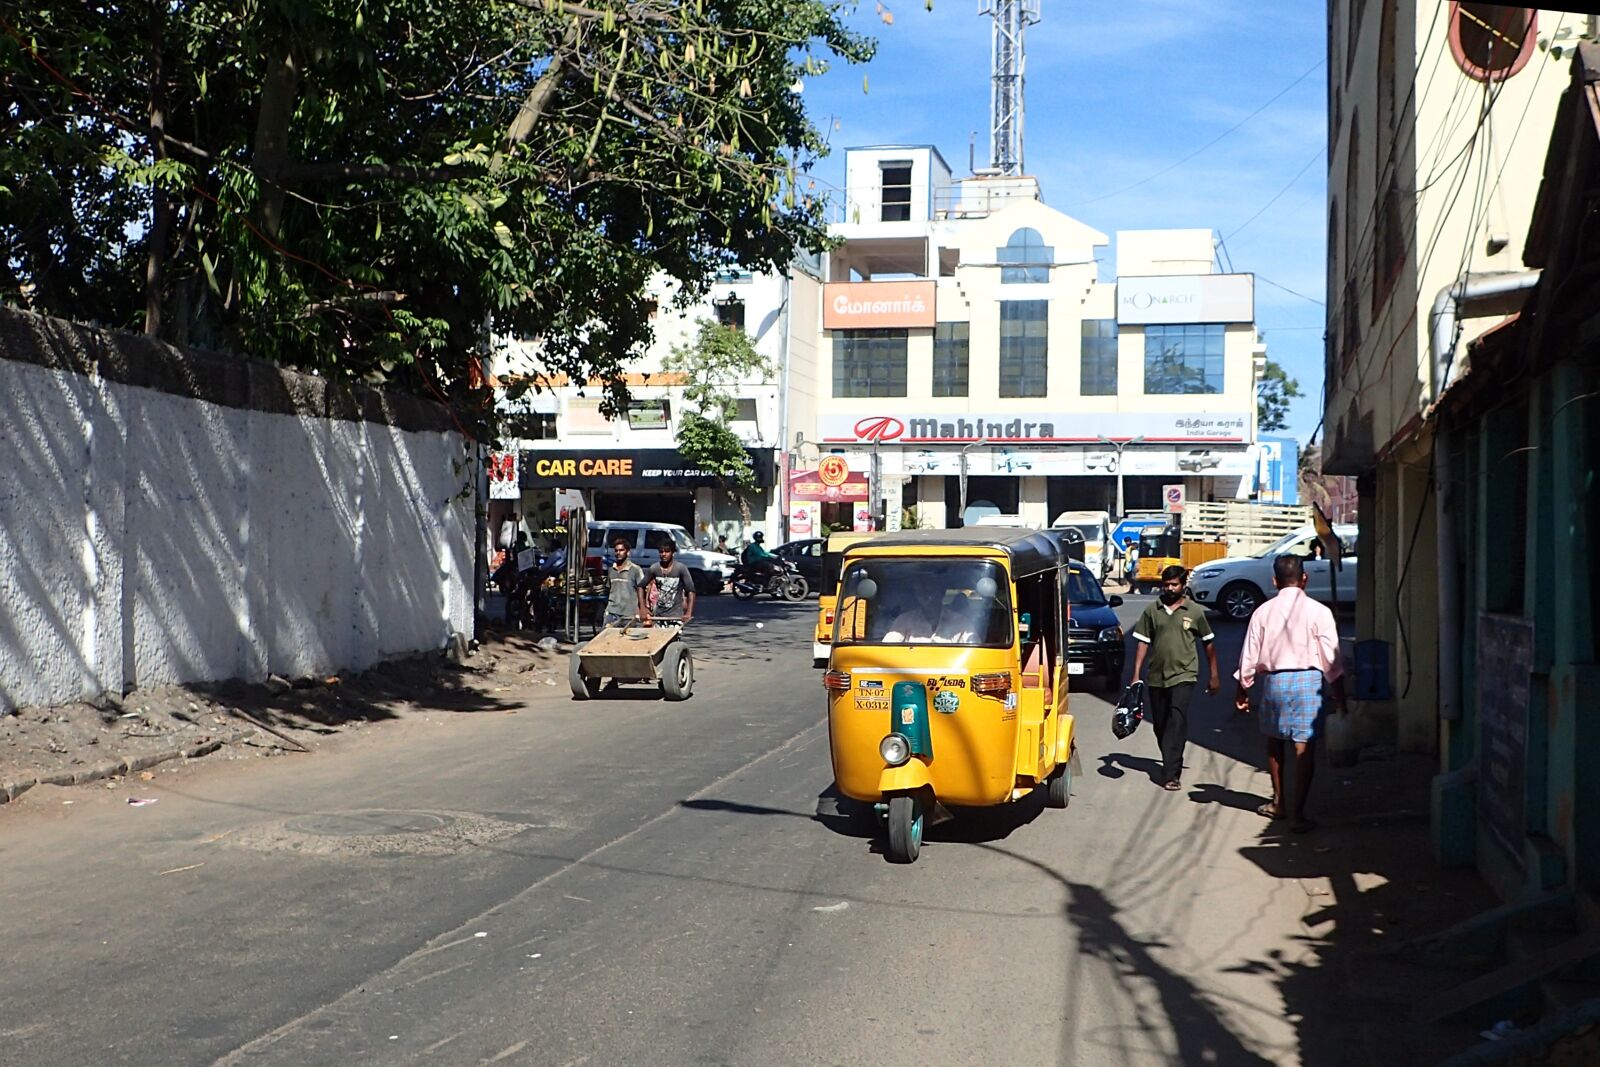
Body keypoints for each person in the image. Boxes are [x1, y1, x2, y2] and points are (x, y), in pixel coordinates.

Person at [1233, 554, 1346, 833]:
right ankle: (1298, 815)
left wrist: (1242, 690)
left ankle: (1278, 803)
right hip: (1309, 680)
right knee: (1303, 747)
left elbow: (1249, 656)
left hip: (1275, 682)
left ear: (1274, 581)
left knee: (1274, 742)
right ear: (1305, 578)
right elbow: (1331, 661)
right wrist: (1341, 698)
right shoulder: (1319, 612)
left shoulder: (1262, 612)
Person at [1128, 565, 1220, 791]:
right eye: (1166, 585)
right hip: (1157, 677)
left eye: (1174, 585)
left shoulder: (1195, 611)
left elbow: (1208, 643)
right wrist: (1135, 674)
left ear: (1183, 585)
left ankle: (1172, 774)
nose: (1170, 589)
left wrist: (1214, 675)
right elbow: (1142, 642)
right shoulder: (1152, 611)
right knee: (1160, 724)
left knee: (1177, 720)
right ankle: (1169, 758)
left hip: (1184, 675)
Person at [645, 540, 695, 626]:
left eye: (667, 551)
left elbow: (691, 591)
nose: (663, 554)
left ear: (673, 553)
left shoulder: (680, 569)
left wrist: (688, 612)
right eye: (661, 552)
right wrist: (643, 607)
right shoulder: (654, 568)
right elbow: (641, 587)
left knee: (674, 638)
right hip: (658, 616)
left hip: (675, 616)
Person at [603, 535, 649, 627]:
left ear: (628, 552)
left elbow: (642, 590)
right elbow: (608, 589)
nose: (618, 553)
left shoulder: (635, 570)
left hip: (629, 613)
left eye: (621, 550)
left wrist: (642, 608)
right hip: (612, 612)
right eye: (616, 550)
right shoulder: (611, 570)